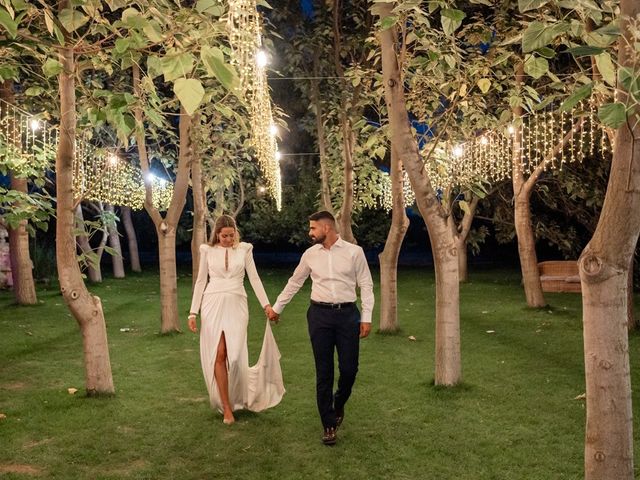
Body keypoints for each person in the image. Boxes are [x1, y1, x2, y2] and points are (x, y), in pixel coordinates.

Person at [269, 211, 374, 445]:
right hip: (319, 316)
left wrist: (366, 317)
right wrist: (277, 307)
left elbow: (366, 284)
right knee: (323, 372)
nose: (310, 233)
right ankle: (328, 424)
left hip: (348, 316)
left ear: (326, 228)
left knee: (349, 370)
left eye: (313, 228)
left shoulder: (354, 252)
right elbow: (295, 282)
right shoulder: (309, 255)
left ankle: (339, 402)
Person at [188, 215, 284, 425]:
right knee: (219, 353)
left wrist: (266, 305)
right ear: (217, 234)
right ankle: (227, 408)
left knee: (236, 358)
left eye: (232, 235)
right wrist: (193, 312)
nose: (228, 239)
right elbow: (200, 281)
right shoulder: (208, 251)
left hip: (237, 303)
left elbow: (255, 278)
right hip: (212, 303)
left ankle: (239, 395)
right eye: (224, 236)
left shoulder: (244, 250)